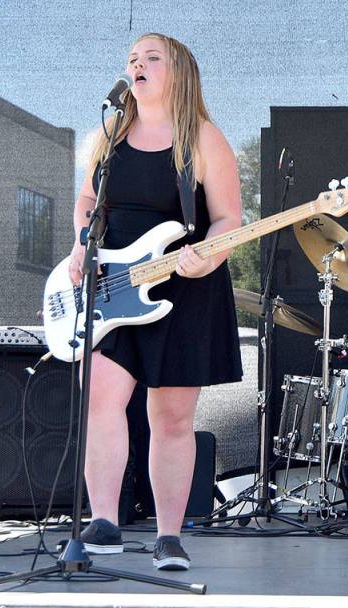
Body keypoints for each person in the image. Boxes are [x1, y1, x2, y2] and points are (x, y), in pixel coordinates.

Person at [70, 33, 242, 571]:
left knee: (170, 416)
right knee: (101, 395)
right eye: (131, 60)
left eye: (151, 59)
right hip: (115, 285)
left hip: (184, 285)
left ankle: (169, 535)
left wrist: (206, 259)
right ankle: (103, 521)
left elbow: (229, 220)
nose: (137, 66)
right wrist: (81, 245)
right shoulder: (110, 133)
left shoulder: (202, 138)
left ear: (179, 74)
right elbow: (87, 201)